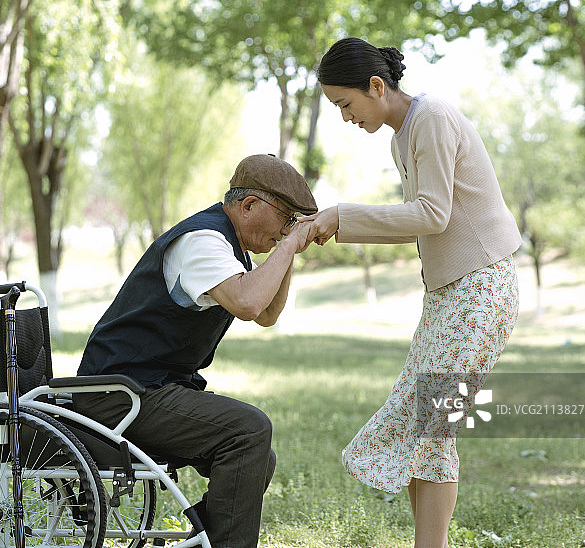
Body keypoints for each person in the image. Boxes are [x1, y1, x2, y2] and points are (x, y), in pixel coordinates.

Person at [301, 37, 522, 548]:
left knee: (433, 426)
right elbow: (423, 220)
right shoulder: (402, 136)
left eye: (346, 104)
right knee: (423, 425)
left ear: (376, 87)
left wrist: (343, 215)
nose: (345, 117)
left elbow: (431, 214)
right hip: (447, 295)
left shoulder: (433, 117)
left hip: (481, 286)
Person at [74, 154, 318, 548]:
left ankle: (203, 539)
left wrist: (286, 247)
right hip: (118, 395)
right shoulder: (202, 241)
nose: (287, 229)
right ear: (250, 205)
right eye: (286, 217)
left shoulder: (228, 245)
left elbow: (268, 313)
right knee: (249, 429)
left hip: (146, 388)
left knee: (256, 455)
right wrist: (289, 243)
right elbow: (250, 303)